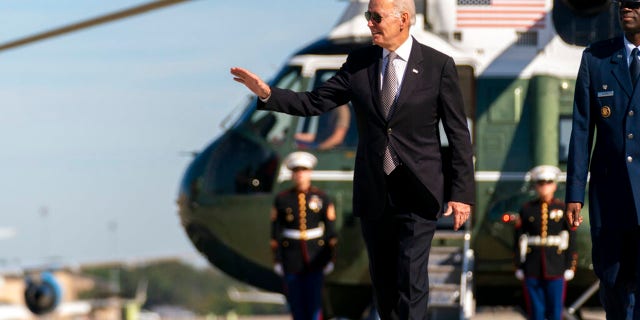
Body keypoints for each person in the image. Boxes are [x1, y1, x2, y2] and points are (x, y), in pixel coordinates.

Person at [231, 0, 475, 318]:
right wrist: (267, 94)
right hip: (375, 191)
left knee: (411, 279)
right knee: (384, 282)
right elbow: (315, 102)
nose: (370, 23)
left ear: (403, 19)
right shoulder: (360, 63)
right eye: (367, 16)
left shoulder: (437, 66)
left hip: (418, 190)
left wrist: (461, 195)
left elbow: (458, 135)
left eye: (376, 17)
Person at [566, 1, 640, 318]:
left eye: (635, 2)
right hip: (610, 201)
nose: (626, 7)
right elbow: (582, 131)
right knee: (614, 287)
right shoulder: (595, 59)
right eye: (623, 2)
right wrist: (574, 194)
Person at [270, 151, 338, 320]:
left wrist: (329, 258)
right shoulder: (282, 199)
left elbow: (330, 232)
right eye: (297, 171)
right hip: (292, 258)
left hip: (315, 256)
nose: (300, 175)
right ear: (292, 174)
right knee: (296, 303)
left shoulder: (321, 198)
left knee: (314, 302)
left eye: (304, 171)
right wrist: (278, 259)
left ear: (310, 173)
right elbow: (276, 234)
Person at [514, 165, 578, 320]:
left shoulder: (562, 208)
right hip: (532, 265)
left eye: (548, 182)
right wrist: (518, 265)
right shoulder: (527, 209)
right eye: (541, 183)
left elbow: (571, 239)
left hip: (556, 264)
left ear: (554, 185)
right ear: (536, 185)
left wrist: (570, 265)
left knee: (555, 310)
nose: (544, 187)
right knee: (536, 311)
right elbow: (519, 238)